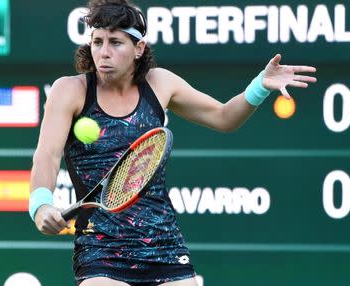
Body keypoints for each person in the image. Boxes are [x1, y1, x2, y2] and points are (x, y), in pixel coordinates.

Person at [28, 0, 317, 285]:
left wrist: (259, 86)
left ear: (138, 48)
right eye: (97, 41)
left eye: (115, 42)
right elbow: (47, 156)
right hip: (100, 249)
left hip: (163, 244)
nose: (103, 53)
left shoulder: (160, 83)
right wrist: (41, 204)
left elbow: (224, 117)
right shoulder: (70, 90)